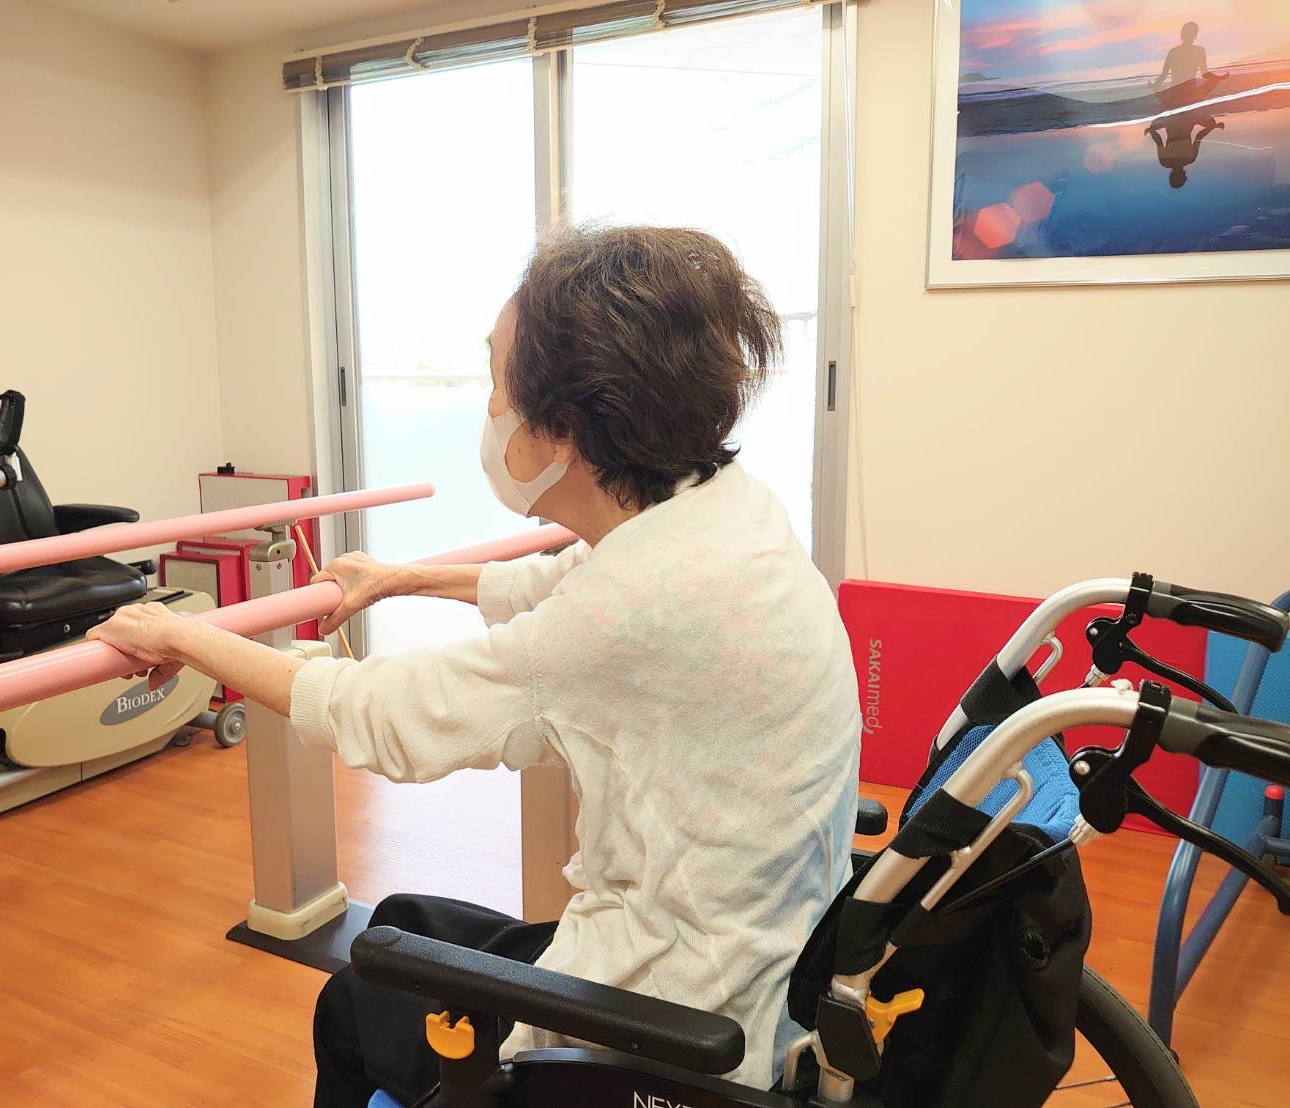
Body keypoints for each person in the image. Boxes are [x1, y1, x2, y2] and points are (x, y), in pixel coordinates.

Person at [88, 225, 861, 1106]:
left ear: (562, 430)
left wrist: (184, 635)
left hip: (662, 1020)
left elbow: (383, 716)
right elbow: (563, 583)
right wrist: (400, 578)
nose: (489, 408)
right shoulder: (724, 515)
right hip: (757, 953)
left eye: (496, 381)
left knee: (352, 1002)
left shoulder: (638, 607)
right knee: (402, 921)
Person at [1152, 22, 1209, 93]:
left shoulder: (1172, 52)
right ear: (1195, 35)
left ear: (1181, 34)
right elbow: (1205, 74)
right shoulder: (1199, 50)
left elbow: (1163, 75)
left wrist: (1155, 85)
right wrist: (1217, 79)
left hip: (1175, 92)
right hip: (1191, 92)